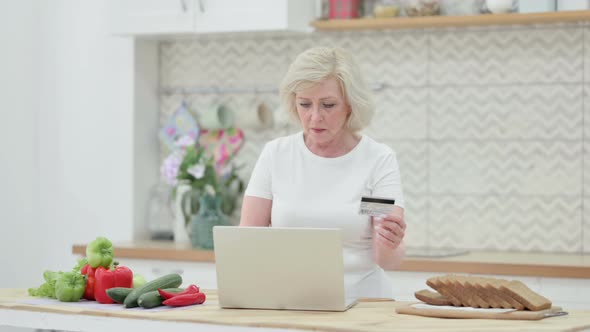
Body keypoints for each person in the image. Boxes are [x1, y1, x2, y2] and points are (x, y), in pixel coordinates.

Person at [239, 47, 406, 299]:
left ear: (350, 105)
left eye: (328, 105)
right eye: (305, 104)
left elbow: (386, 259)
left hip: (363, 305)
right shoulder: (276, 156)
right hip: (290, 303)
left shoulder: (375, 160)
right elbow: (248, 244)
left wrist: (391, 242)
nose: (315, 117)